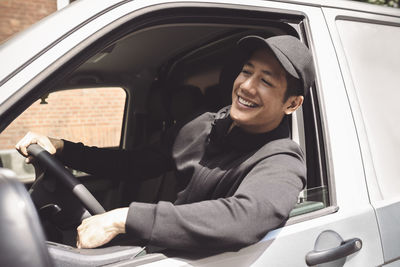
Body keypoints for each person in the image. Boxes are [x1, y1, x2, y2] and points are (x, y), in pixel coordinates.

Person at [16, 34, 315, 252]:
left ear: (292, 103)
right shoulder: (203, 125)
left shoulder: (281, 161)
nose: (247, 86)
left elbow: (244, 218)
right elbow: (132, 163)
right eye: (247, 71)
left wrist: (125, 218)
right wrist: (64, 148)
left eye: (266, 81)